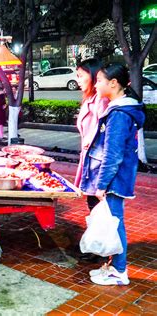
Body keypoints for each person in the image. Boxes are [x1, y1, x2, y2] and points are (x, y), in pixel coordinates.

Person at [80, 63, 145, 286]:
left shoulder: (119, 114)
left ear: (113, 83)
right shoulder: (120, 108)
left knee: (115, 224)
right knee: (113, 222)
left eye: (99, 80)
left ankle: (120, 271)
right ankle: (114, 265)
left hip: (116, 180)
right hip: (118, 177)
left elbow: (113, 154)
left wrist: (101, 184)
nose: (96, 84)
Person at [75, 58, 110, 212]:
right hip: (91, 160)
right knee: (94, 205)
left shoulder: (101, 101)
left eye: (81, 76)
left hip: (99, 163)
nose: (78, 80)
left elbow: (106, 135)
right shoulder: (90, 98)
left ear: (94, 76)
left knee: (100, 208)